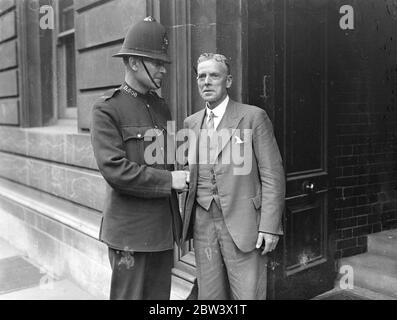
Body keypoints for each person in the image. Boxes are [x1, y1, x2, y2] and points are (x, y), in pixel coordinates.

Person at [90, 17, 188, 300]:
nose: (162, 70)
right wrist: (171, 180)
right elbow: (115, 170)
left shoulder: (160, 107)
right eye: (156, 63)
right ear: (134, 62)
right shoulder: (107, 109)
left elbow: (166, 160)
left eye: (163, 64)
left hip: (162, 232)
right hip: (130, 237)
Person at [182, 53, 285, 299]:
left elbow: (273, 174)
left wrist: (270, 227)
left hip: (244, 223)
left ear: (228, 81)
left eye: (214, 75)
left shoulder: (252, 117)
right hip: (203, 224)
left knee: (247, 295)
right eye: (201, 76)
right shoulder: (191, 123)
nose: (206, 81)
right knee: (210, 298)